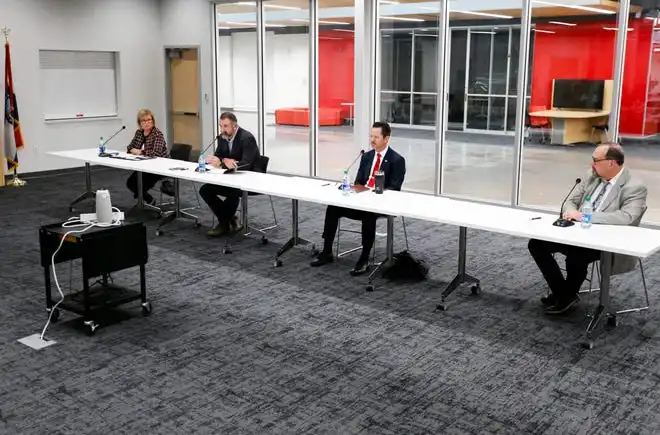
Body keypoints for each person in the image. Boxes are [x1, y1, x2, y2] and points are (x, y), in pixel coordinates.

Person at [528, 144, 647, 314]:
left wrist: (585, 217)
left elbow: (627, 217)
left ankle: (565, 295)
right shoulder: (592, 176)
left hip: (605, 240)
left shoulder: (634, 186)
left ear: (611, 163)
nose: (592, 164)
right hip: (575, 231)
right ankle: (564, 293)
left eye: (596, 160)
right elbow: (572, 200)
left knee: (577, 255)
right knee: (537, 244)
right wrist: (571, 211)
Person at [311, 121, 406, 276]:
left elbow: (395, 189)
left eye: (376, 137)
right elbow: (359, 181)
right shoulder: (367, 156)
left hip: (379, 203)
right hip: (361, 199)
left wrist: (374, 194)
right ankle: (327, 251)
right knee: (333, 207)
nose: (372, 140)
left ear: (386, 138)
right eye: (371, 136)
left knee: (368, 214)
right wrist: (356, 190)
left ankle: (364, 258)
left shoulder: (397, 160)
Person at [200, 112, 260, 237]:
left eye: (225, 126)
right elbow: (219, 155)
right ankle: (231, 218)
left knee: (232, 193)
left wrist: (222, 163)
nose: (222, 130)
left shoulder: (246, 138)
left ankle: (223, 223)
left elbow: (247, 164)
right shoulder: (223, 137)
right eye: (221, 126)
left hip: (249, 178)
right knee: (205, 190)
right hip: (229, 177)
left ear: (234, 126)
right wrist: (215, 160)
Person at [126, 109, 169, 205]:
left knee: (139, 185)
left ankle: (146, 201)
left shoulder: (157, 134)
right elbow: (130, 147)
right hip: (144, 165)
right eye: (144, 121)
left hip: (159, 166)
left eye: (149, 120)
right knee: (130, 183)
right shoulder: (139, 133)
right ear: (139, 123)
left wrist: (140, 152)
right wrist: (133, 150)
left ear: (153, 121)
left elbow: (156, 153)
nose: (147, 123)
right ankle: (149, 200)